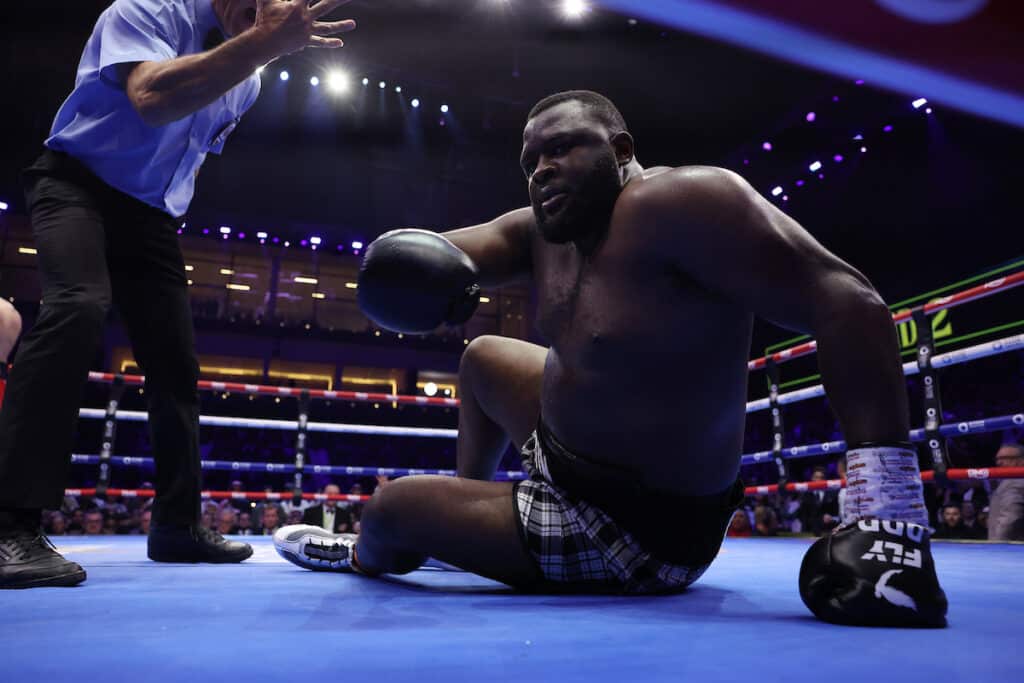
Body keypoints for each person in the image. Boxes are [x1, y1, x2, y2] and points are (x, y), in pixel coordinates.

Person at [275, 90, 946, 626]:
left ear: (621, 150)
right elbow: (442, 251)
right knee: (482, 355)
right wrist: (418, 273)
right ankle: (467, 531)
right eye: (531, 160)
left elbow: (847, 297)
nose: (542, 170)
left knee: (393, 510)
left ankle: (369, 554)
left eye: (561, 149)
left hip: (633, 529)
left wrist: (887, 509)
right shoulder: (544, 229)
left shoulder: (681, 205)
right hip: (564, 456)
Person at [0, 0, 358, 589]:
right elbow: (151, 100)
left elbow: (186, 153)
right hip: (74, 183)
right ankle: (9, 525)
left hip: (150, 217)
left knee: (175, 362)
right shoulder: (144, 10)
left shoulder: (251, 80)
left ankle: (177, 525)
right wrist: (264, 42)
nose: (273, 8)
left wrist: (258, 49)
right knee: (78, 308)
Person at [988, 443, 1024, 541]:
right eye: (997, 459)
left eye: (1005, 458)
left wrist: (997, 545)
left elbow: (1010, 518)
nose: (999, 462)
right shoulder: (1007, 482)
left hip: (1007, 549)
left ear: (1021, 461)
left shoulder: (1017, 482)